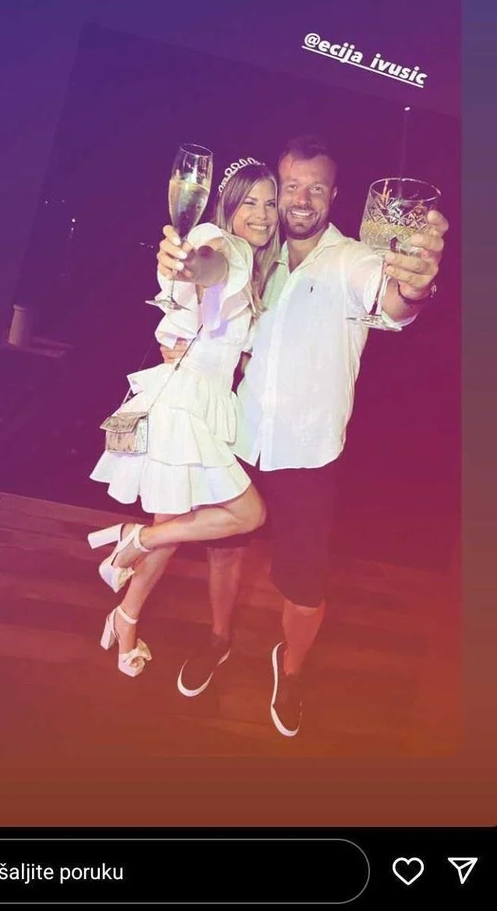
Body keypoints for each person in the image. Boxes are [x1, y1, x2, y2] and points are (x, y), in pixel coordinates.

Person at [153, 136, 449, 737]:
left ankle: (290, 670)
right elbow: (211, 297)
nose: (302, 199)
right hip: (240, 436)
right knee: (224, 553)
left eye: (317, 187)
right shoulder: (255, 257)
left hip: (310, 453)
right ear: (278, 190)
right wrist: (178, 273)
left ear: (334, 195)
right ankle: (219, 638)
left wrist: (415, 285)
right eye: (292, 186)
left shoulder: (350, 260)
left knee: (306, 587)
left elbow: (391, 300)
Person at [88, 160, 280, 677]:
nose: (262, 214)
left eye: (270, 203)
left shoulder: (257, 265)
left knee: (169, 527)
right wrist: (188, 264)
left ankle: (127, 611)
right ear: (228, 207)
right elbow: (207, 263)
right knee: (246, 514)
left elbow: (220, 326)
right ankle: (135, 546)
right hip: (186, 402)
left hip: (203, 400)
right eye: (249, 202)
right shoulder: (228, 245)